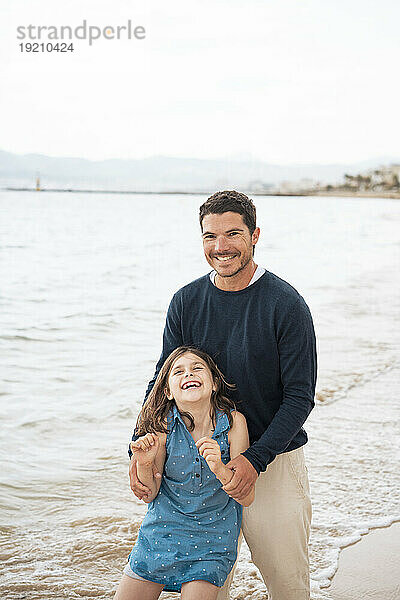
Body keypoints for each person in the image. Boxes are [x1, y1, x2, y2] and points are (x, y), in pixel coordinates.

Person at [129, 190, 317, 600]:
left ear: (255, 235)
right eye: (209, 236)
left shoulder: (286, 305)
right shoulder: (186, 301)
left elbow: (300, 398)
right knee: (210, 589)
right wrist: (137, 448)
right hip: (197, 471)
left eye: (233, 233)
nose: (221, 246)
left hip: (272, 461)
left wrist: (254, 459)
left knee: (287, 584)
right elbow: (163, 381)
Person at [115, 346, 255, 600]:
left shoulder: (235, 423)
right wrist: (145, 463)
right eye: (178, 371)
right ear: (167, 390)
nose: (188, 373)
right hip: (160, 533)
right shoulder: (163, 424)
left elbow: (246, 498)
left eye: (197, 368)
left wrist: (220, 469)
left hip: (213, 539)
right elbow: (149, 494)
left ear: (214, 383)